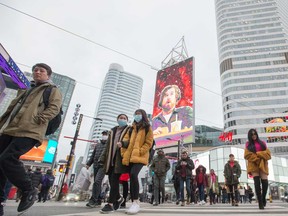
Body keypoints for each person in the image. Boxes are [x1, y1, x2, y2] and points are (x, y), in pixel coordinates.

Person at [0, 63, 62, 215]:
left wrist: (39, 119)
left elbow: (54, 107)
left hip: (30, 130)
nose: (37, 72)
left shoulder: (52, 90)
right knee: (0, 165)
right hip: (9, 129)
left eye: (41, 70)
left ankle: (29, 189)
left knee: (7, 158)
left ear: (48, 75)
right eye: (35, 70)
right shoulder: (26, 90)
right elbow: (12, 109)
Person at [121, 109, 153, 214]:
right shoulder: (131, 128)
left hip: (140, 156)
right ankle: (134, 202)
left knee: (134, 174)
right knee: (131, 177)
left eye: (139, 114)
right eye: (136, 114)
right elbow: (125, 141)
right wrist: (123, 152)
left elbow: (149, 143)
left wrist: (139, 151)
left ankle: (136, 202)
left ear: (143, 115)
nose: (137, 116)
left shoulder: (147, 128)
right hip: (130, 157)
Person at [98, 114, 130, 213]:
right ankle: (118, 198)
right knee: (112, 181)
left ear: (127, 120)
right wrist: (102, 159)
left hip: (120, 159)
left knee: (115, 180)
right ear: (117, 119)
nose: (122, 119)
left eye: (124, 118)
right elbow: (107, 147)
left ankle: (110, 204)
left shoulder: (129, 129)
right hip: (110, 159)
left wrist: (123, 144)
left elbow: (130, 141)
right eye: (121, 118)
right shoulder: (112, 131)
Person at [244, 129, 271, 209]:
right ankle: (260, 202)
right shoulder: (248, 144)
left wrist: (258, 154)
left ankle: (263, 198)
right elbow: (247, 155)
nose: (254, 136)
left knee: (265, 183)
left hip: (263, 164)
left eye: (255, 134)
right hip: (254, 165)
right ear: (250, 136)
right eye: (252, 134)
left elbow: (268, 154)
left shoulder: (262, 143)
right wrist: (257, 158)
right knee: (257, 184)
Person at [85, 130, 108, 208]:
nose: (104, 135)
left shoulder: (109, 144)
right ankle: (98, 199)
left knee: (97, 181)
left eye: (106, 134)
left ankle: (93, 200)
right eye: (103, 134)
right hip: (95, 166)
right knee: (97, 182)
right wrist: (88, 164)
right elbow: (93, 155)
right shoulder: (98, 145)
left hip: (103, 166)